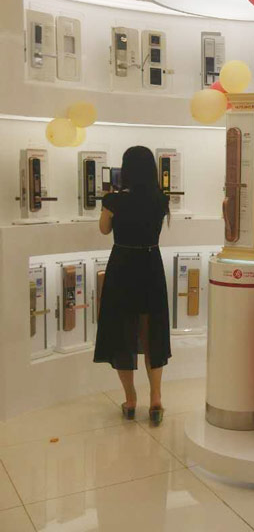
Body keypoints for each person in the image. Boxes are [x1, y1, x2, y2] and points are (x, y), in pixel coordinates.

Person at [94, 146, 171, 424]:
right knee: (152, 332)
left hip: (123, 266)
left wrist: (110, 204)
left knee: (122, 330)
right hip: (150, 264)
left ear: (126, 170)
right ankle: (156, 398)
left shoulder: (113, 200)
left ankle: (130, 399)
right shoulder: (161, 199)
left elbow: (104, 229)